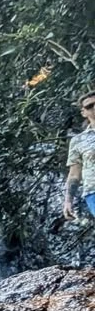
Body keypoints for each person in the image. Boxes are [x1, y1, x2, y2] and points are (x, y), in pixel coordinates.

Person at [64, 89, 95, 220]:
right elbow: (74, 174)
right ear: (84, 112)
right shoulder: (78, 141)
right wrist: (68, 200)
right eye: (90, 106)